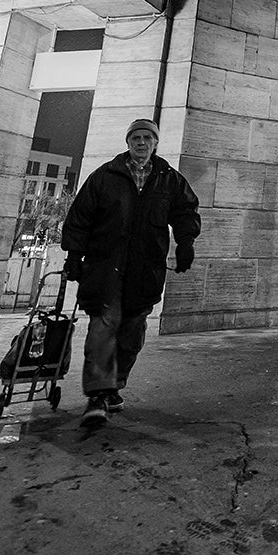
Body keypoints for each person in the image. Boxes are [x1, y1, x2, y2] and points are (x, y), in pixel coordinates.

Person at [61, 118, 200, 426]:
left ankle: (114, 385)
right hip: (104, 266)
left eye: (147, 138)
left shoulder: (169, 179)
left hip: (145, 268)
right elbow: (80, 216)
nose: (140, 142)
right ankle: (97, 395)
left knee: (132, 331)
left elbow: (186, 210)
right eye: (135, 137)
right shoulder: (104, 177)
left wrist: (185, 242)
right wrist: (74, 254)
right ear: (127, 142)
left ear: (155, 143)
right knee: (103, 326)